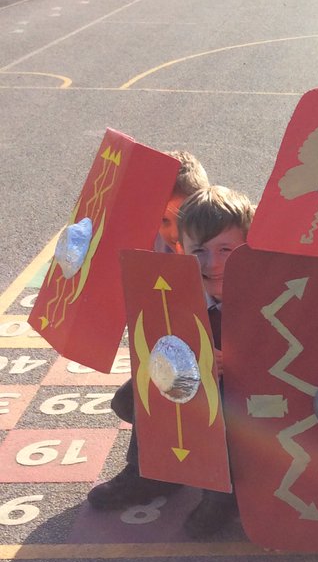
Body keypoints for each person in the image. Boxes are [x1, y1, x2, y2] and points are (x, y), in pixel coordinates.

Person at [87, 185, 255, 540]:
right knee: (133, 397)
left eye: (226, 250)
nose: (213, 263)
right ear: (182, 250)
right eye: (200, 251)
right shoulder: (176, 289)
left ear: (248, 248)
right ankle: (151, 472)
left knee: (223, 410)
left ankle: (223, 491)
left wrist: (236, 362)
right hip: (194, 383)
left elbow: (282, 354)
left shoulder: (263, 293)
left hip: (248, 398)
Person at [155, 150, 209, 254]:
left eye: (184, 219)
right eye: (163, 220)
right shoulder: (149, 242)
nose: (175, 234)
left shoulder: (221, 245)